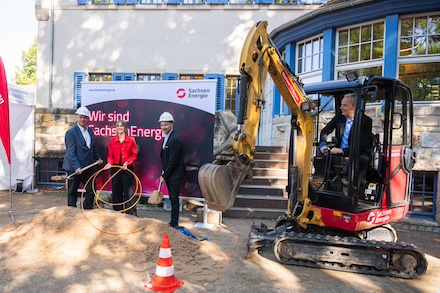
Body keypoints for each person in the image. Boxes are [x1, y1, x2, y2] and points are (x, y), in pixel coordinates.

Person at [319, 93, 372, 186]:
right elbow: (325, 131)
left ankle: (355, 189)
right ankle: (328, 186)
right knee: (321, 157)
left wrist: (342, 151)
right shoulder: (339, 117)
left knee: (364, 160)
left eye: (345, 105)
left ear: (354, 106)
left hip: (356, 152)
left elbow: (363, 144)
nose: (341, 108)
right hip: (338, 151)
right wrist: (323, 145)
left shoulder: (365, 121)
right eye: (341, 105)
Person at [62, 106, 102, 209]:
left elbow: (92, 148)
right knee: (72, 191)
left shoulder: (90, 131)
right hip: (75, 168)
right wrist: (77, 166)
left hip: (88, 167)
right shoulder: (71, 133)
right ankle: (71, 213)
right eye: (80, 117)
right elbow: (70, 153)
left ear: (88, 119)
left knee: (91, 190)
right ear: (77, 118)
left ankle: (86, 212)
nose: (82, 119)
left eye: (85, 117)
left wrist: (98, 158)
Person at [104, 120, 138, 216]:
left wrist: (128, 163)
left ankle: (131, 214)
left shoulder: (131, 139)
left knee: (129, 192)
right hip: (115, 168)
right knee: (116, 190)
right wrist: (110, 163)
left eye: (121, 125)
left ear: (125, 127)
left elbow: (134, 155)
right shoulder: (112, 140)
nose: (119, 127)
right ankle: (117, 213)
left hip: (127, 169)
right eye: (118, 126)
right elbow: (110, 155)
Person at [158, 111, 185, 227]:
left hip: (175, 175)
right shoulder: (168, 137)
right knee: (172, 197)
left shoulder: (175, 139)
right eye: (162, 125)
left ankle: (174, 223)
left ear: (172, 124)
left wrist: (165, 175)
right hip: (170, 174)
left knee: (174, 198)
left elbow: (173, 161)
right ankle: (173, 222)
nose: (163, 127)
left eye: (166, 125)